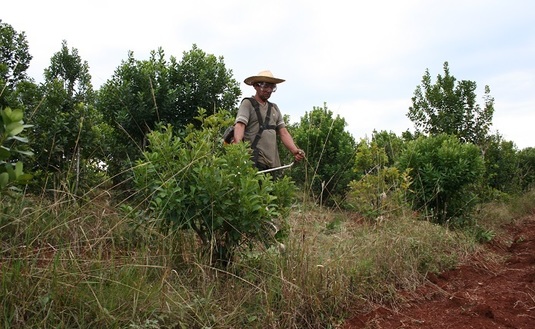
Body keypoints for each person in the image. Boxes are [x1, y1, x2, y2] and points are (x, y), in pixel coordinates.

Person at [233, 70, 305, 174]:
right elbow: (240, 125)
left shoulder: (274, 108)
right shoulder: (248, 104)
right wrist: (237, 150)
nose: (269, 90)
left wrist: (295, 151)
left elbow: (283, 133)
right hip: (254, 160)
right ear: (255, 86)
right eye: (265, 86)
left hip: (274, 164)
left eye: (272, 87)